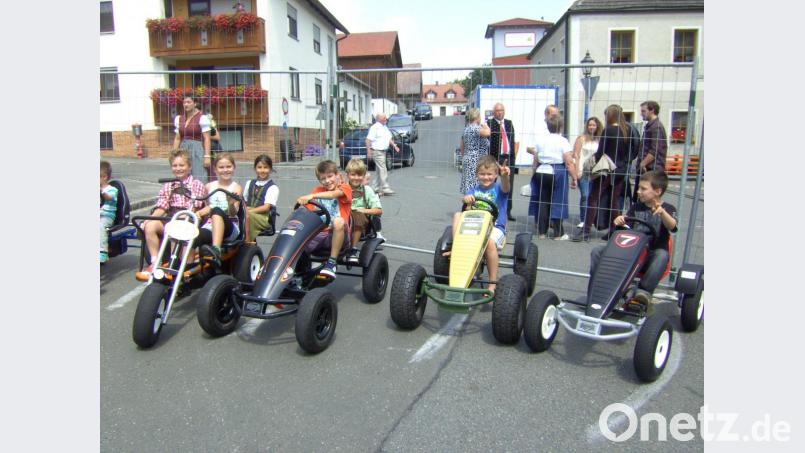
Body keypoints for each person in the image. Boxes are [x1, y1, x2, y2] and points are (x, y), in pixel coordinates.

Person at [588, 170, 677, 312]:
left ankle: (643, 292)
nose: (638, 191)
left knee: (662, 255)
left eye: (643, 189)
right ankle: (599, 286)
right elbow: (626, 229)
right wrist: (619, 222)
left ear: (657, 191)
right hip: (632, 252)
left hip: (650, 256)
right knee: (597, 251)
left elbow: (672, 226)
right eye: (639, 188)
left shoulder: (668, 209)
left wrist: (662, 213)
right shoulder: (636, 207)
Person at [136, 149, 207, 280]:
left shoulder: (196, 184)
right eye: (175, 165)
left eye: (182, 165)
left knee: (177, 228)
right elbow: (162, 207)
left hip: (188, 218)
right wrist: (149, 219)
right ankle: (155, 261)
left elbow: (195, 208)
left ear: (189, 167)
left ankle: (182, 266)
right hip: (171, 217)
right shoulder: (168, 185)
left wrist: (179, 219)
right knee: (150, 225)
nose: (178, 168)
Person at [572, 104, 639, 242]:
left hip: (606, 169)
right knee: (614, 201)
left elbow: (601, 152)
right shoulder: (627, 130)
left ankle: (586, 230)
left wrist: (591, 164)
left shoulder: (608, 130)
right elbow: (633, 150)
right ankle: (614, 230)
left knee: (593, 198)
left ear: (610, 115)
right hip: (621, 170)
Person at [445, 156, 510, 293]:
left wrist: (504, 177)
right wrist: (466, 198)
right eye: (482, 174)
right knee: (457, 215)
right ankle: (456, 247)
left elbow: (506, 187)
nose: (486, 177)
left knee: (489, 243)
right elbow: (466, 200)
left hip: (495, 227)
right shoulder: (474, 190)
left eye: (489, 174)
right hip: (476, 226)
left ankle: (492, 283)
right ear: (477, 175)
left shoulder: (499, 189)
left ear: (496, 175)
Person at [296, 160, 353, 279]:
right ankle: (290, 268)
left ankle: (331, 263)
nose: (327, 181)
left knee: (338, 221)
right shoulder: (318, 190)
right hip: (320, 234)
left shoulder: (345, 188)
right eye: (323, 178)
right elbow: (308, 211)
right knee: (297, 231)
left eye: (330, 176)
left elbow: (332, 195)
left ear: (338, 175)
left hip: (339, 234)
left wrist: (312, 196)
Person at [527, 115, 576, 239]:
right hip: (557, 169)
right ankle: (558, 234)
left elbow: (536, 159)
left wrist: (534, 173)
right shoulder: (563, 141)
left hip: (542, 170)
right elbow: (569, 161)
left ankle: (542, 232)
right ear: (561, 127)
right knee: (559, 200)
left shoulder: (541, 140)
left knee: (543, 201)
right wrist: (574, 177)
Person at [195, 153, 242, 266]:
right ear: (215, 169)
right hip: (210, 226)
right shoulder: (209, 186)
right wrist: (199, 213)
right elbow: (207, 206)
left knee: (216, 210)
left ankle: (216, 249)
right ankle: (186, 266)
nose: (225, 170)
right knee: (193, 235)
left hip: (230, 227)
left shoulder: (236, 188)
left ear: (234, 167)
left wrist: (231, 204)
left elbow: (233, 213)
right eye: (221, 167)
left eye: (228, 166)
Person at [344, 158, 383, 264]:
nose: (356, 178)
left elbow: (378, 210)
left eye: (359, 175)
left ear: (364, 175)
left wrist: (364, 210)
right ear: (348, 175)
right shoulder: (342, 188)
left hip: (360, 219)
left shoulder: (367, 190)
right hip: (344, 216)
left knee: (358, 216)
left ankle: (352, 249)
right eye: (353, 175)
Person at [487, 103, 518, 221]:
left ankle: (507, 211)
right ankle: (490, 208)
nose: (500, 112)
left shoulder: (509, 123)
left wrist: (513, 157)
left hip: (508, 157)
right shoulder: (489, 123)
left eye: (502, 110)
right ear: (493, 112)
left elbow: (513, 140)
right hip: (495, 157)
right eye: (497, 110)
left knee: (509, 185)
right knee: (491, 182)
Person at [633, 101, 668, 201]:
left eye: (643, 111)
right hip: (647, 169)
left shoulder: (656, 127)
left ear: (652, 110)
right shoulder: (650, 126)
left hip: (652, 169)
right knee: (640, 198)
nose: (641, 114)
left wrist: (643, 163)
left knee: (648, 199)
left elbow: (655, 149)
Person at [572, 116, 603, 229]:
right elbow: (576, 155)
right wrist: (576, 171)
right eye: (590, 125)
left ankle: (592, 219)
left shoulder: (600, 139)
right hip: (583, 171)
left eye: (594, 125)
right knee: (585, 195)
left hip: (596, 172)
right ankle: (583, 219)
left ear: (597, 126)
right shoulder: (581, 139)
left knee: (594, 196)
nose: (591, 127)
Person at [173, 96, 212, 183]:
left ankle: (200, 191)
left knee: (199, 176)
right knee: (183, 175)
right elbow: (177, 138)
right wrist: (174, 154)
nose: (186, 104)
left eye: (188, 102)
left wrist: (207, 156)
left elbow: (207, 138)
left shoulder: (202, 118)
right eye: (184, 102)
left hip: (197, 150)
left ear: (195, 103)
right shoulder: (179, 118)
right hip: (183, 150)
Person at [243, 154, 280, 242]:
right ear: (255, 168)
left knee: (248, 217)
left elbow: (266, 207)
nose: (262, 170)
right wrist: (244, 210)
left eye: (265, 167)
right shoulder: (249, 183)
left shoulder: (272, 187)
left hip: (263, 217)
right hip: (249, 213)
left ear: (270, 169)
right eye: (259, 167)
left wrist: (248, 212)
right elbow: (244, 200)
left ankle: (247, 242)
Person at [365, 113, 400, 195]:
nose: (386, 119)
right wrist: (368, 151)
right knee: (383, 169)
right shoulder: (375, 128)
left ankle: (374, 188)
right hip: (377, 151)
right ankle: (385, 187)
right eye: (384, 118)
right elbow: (368, 140)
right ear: (379, 119)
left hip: (383, 152)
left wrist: (395, 146)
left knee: (379, 170)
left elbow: (389, 138)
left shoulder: (385, 127)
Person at [459, 108, 491, 194]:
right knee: (475, 186)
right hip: (476, 161)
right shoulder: (475, 128)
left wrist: (465, 157)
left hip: (468, 159)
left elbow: (462, 146)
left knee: (469, 185)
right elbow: (487, 133)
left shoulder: (466, 129)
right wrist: (486, 126)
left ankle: (469, 199)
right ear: (477, 117)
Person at [100, 161, 118, 265]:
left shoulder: (112, 190)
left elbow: (109, 198)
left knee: (100, 226)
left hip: (107, 216)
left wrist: (101, 191)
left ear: (104, 177)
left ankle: (103, 252)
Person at [207, 113, 223, 181]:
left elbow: (217, 137)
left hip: (210, 153)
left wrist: (205, 136)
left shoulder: (209, 122)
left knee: (211, 173)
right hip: (198, 152)